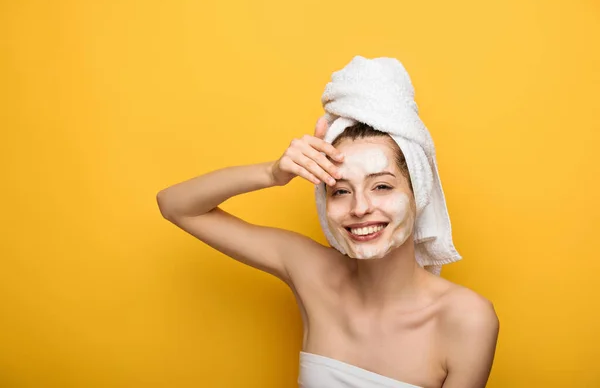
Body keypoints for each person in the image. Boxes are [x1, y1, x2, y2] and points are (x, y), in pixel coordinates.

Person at [156, 116, 499, 388]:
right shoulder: (310, 270)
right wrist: (271, 173)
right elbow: (176, 206)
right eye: (340, 191)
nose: (360, 207)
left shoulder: (467, 319)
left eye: (381, 186)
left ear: (417, 194)